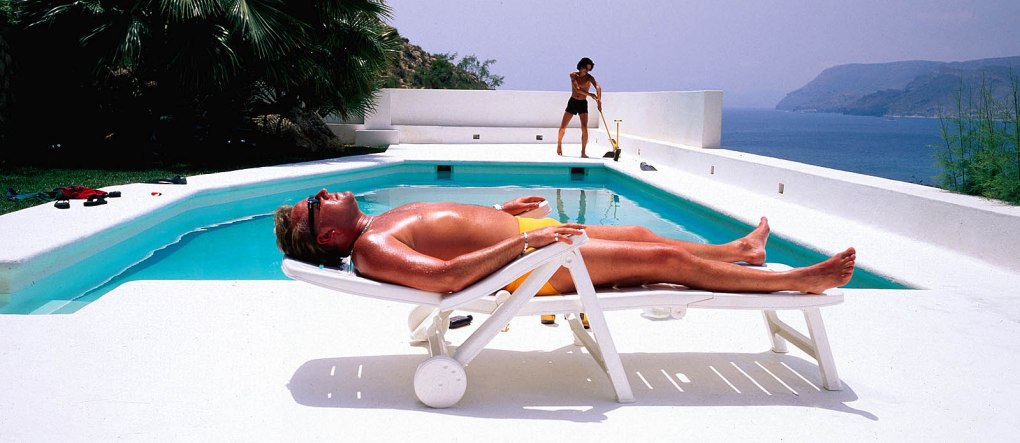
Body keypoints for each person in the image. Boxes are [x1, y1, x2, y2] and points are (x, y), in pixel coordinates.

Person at [274, 190, 856, 297]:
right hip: (535, 265)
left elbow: (447, 233)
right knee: (666, 260)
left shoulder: (378, 221)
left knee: (641, 235)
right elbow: (446, 278)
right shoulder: (372, 248)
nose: (323, 192)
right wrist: (524, 247)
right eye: (315, 204)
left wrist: (500, 216)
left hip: (530, 243)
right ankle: (795, 281)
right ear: (328, 235)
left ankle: (740, 253)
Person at [557, 57, 602, 158]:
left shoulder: (589, 78)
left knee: (584, 128)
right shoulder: (573, 75)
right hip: (573, 102)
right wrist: (590, 95)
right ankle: (559, 145)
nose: (587, 71)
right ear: (581, 67)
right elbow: (577, 89)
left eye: (589, 69)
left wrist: (599, 100)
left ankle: (583, 152)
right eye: (586, 68)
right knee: (563, 127)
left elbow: (598, 87)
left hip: (582, 103)